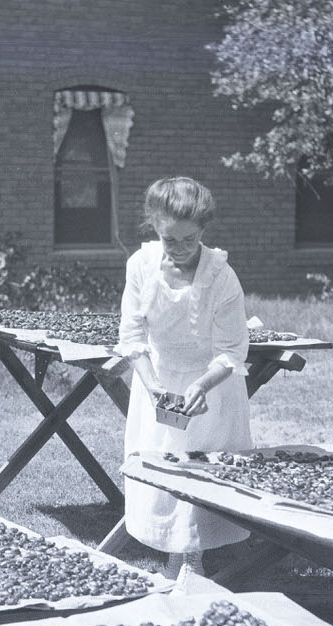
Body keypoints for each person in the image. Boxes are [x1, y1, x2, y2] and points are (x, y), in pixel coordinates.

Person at [115, 177, 253, 592]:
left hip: (212, 386)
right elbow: (132, 337)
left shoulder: (221, 276)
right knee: (161, 468)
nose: (178, 248)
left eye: (188, 239)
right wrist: (155, 386)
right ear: (154, 228)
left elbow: (232, 350)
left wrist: (203, 385)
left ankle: (193, 562)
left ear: (204, 230)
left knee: (203, 472)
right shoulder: (140, 266)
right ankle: (173, 559)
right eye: (168, 239)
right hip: (157, 381)